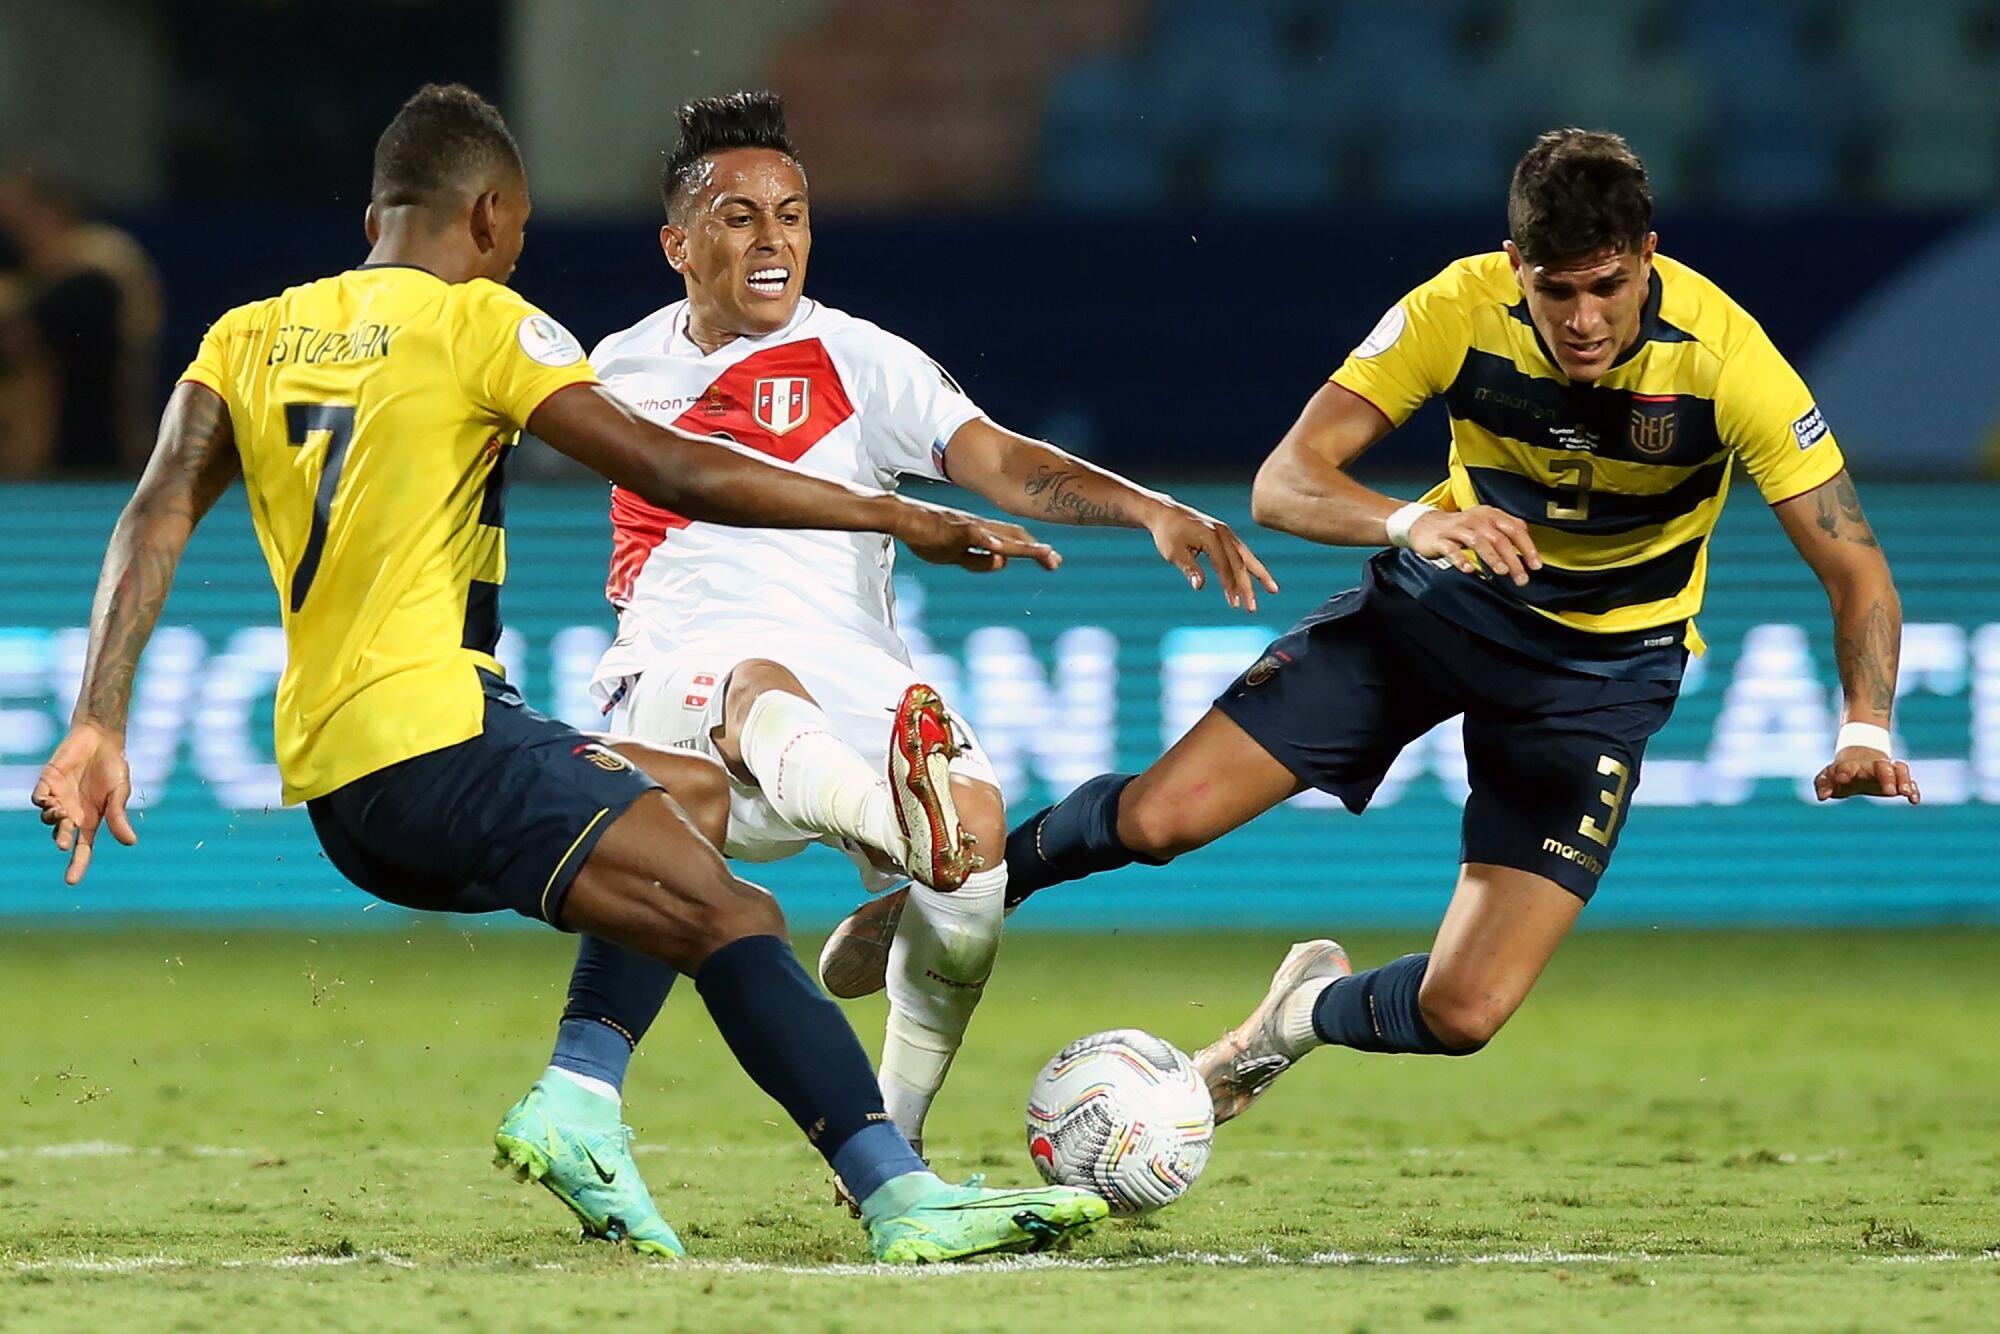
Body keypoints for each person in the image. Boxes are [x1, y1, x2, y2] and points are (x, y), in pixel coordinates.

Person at [28, 83, 1108, 1265]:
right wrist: (893, 515)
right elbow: (673, 467)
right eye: (523, 227)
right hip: (438, 739)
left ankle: (582, 1098)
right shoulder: (483, 322)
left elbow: (154, 511)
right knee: (733, 911)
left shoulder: (246, 334)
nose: (518, 249)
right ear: (488, 215)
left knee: (688, 800)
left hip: (345, 779)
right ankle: (897, 1189)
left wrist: (97, 720)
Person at [976, 128, 1920, 1121]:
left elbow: (1853, 564)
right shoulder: (1456, 308)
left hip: (1595, 679)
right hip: (1429, 616)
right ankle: (972, 888)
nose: (1583, 320)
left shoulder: (1727, 360)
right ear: (1516, 268)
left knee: (1463, 1009)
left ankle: (1289, 1020)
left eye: (1605, 285)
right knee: (1159, 818)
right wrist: (1417, 521)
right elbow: (1282, 483)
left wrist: (1863, 726)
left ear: (1646, 254)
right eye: (1556, 291)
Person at [500, 90, 1275, 1227]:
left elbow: (1001, 462)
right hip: (676, 685)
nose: (773, 239)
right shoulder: (610, 372)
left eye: (793, 214)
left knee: (977, 877)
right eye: (738, 217)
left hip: (857, 682)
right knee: (770, 698)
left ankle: (894, 1142)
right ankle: (889, 829)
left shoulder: (860, 358)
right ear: (676, 244)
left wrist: (1150, 510)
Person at [0, 161, 162, 475]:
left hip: (90, 459)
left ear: (50, 209)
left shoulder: (96, 267)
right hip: (49, 461)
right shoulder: (36, 275)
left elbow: (23, 336)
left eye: (16, 214)